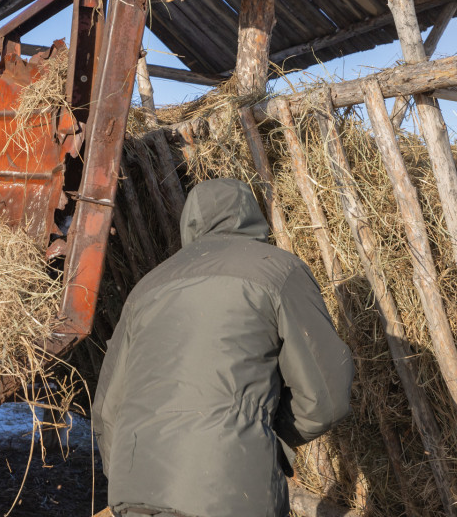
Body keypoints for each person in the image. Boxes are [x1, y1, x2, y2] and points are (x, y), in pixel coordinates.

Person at [92, 178, 353, 517]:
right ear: (252, 216)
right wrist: (261, 433)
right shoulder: (279, 272)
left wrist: (134, 476)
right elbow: (326, 399)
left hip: (136, 496)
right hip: (229, 493)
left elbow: (107, 409)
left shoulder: (148, 286)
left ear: (189, 222)